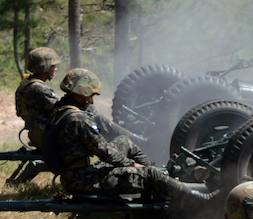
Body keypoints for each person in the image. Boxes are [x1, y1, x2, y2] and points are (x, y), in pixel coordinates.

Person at [42, 68, 215, 204]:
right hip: (83, 181)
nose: (92, 101)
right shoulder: (79, 119)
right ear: (82, 92)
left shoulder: (61, 110)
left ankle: (163, 176)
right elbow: (105, 152)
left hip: (75, 175)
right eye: (91, 95)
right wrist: (132, 165)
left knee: (124, 142)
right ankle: (200, 199)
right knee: (150, 175)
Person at [15, 47, 138, 150]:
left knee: (91, 114)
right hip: (49, 137)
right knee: (94, 116)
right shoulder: (39, 89)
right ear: (44, 67)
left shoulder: (26, 84)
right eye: (53, 66)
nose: (56, 68)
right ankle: (133, 140)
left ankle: (130, 138)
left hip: (38, 134)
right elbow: (62, 111)